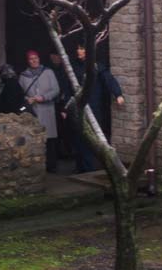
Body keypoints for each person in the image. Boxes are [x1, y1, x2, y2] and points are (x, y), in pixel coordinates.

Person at [66, 43, 125, 173]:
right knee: (78, 138)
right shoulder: (74, 67)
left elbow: (108, 79)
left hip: (93, 107)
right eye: (78, 48)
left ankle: (88, 168)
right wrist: (66, 108)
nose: (78, 51)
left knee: (90, 138)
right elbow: (69, 86)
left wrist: (118, 94)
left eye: (81, 48)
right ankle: (80, 167)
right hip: (78, 107)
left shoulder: (96, 66)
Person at [20, 50, 61, 172]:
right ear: (28, 61)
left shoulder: (48, 72)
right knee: (34, 138)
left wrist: (44, 97)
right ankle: (36, 167)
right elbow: (20, 93)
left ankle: (51, 166)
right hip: (33, 110)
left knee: (49, 139)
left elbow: (56, 90)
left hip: (47, 109)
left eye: (36, 58)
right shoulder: (23, 76)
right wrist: (28, 99)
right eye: (31, 59)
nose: (34, 60)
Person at [49, 51, 74, 159]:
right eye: (53, 57)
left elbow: (68, 87)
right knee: (58, 129)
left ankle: (69, 151)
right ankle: (61, 152)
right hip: (55, 103)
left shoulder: (66, 71)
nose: (55, 59)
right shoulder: (51, 71)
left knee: (67, 129)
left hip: (65, 103)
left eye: (57, 57)